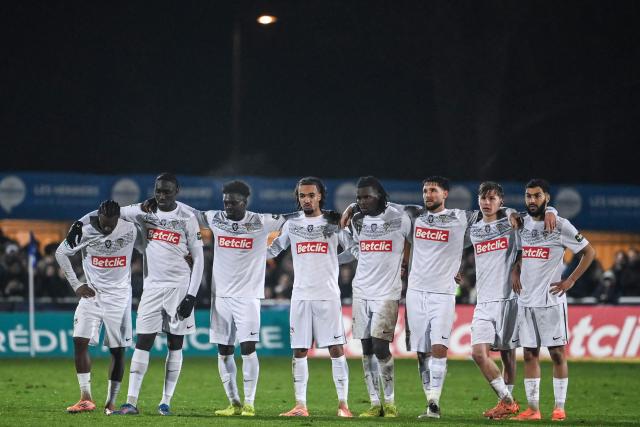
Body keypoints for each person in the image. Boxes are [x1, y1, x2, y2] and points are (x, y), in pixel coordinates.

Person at [145, 180, 288, 416]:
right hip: (220, 296)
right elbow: (191, 213)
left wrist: (329, 215)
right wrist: (164, 201)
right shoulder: (216, 218)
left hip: (248, 296)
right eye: (225, 202)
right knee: (224, 350)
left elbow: (292, 218)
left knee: (249, 349)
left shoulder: (260, 221)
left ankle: (250, 403)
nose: (228, 206)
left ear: (245, 202)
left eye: (233, 202)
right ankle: (234, 402)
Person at [67, 173, 204, 416]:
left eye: (167, 191)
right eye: (158, 190)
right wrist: (79, 223)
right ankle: (130, 402)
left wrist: (192, 296)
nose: (161, 196)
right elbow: (108, 210)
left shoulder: (187, 217)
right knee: (142, 343)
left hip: (179, 286)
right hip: (151, 288)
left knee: (175, 344)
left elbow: (199, 257)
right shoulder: (143, 210)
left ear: (177, 191)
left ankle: (165, 402)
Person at [468, 181, 557, 419]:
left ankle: (505, 404)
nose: (487, 203)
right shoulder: (474, 229)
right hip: (483, 301)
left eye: (492, 199)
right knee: (478, 353)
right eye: (483, 199)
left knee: (508, 355)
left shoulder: (511, 220)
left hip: (510, 298)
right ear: (478, 200)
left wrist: (551, 210)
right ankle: (507, 401)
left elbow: (536, 213)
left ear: (501, 202)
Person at [511, 179, 595, 421]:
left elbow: (589, 252)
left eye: (537, 196)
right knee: (529, 354)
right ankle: (533, 409)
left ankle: (559, 407)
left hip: (551, 300)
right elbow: (520, 252)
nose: (532, 200)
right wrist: (516, 270)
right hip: (526, 300)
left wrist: (571, 281)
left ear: (546, 197)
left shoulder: (560, 224)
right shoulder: (522, 223)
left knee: (557, 354)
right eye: (528, 196)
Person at [267, 177, 352, 417]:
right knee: (300, 351)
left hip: (327, 295)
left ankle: (343, 405)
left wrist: (333, 259)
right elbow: (275, 250)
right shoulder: (292, 225)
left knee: (336, 349)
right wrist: (248, 254)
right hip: (301, 295)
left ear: (320, 196)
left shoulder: (334, 222)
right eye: (302, 195)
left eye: (311, 195)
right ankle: (300, 405)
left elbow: (353, 249)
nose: (306, 199)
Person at [55, 200, 139, 414]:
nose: (107, 227)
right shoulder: (86, 230)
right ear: (97, 217)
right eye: (103, 223)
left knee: (118, 350)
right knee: (79, 341)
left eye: (111, 223)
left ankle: (111, 402)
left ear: (118, 218)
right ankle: (85, 398)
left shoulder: (130, 228)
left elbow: (152, 243)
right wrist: (77, 284)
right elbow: (60, 253)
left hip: (119, 298)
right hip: (92, 295)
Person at [339, 176, 412, 417]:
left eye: (366, 196)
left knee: (381, 347)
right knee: (366, 347)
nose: (361, 201)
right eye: (358, 197)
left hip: (387, 293)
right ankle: (374, 403)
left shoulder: (400, 216)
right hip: (361, 291)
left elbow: (421, 218)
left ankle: (390, 403)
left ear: (379, 195)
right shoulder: (357, 220)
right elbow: (353, 248)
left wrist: (406, 261)